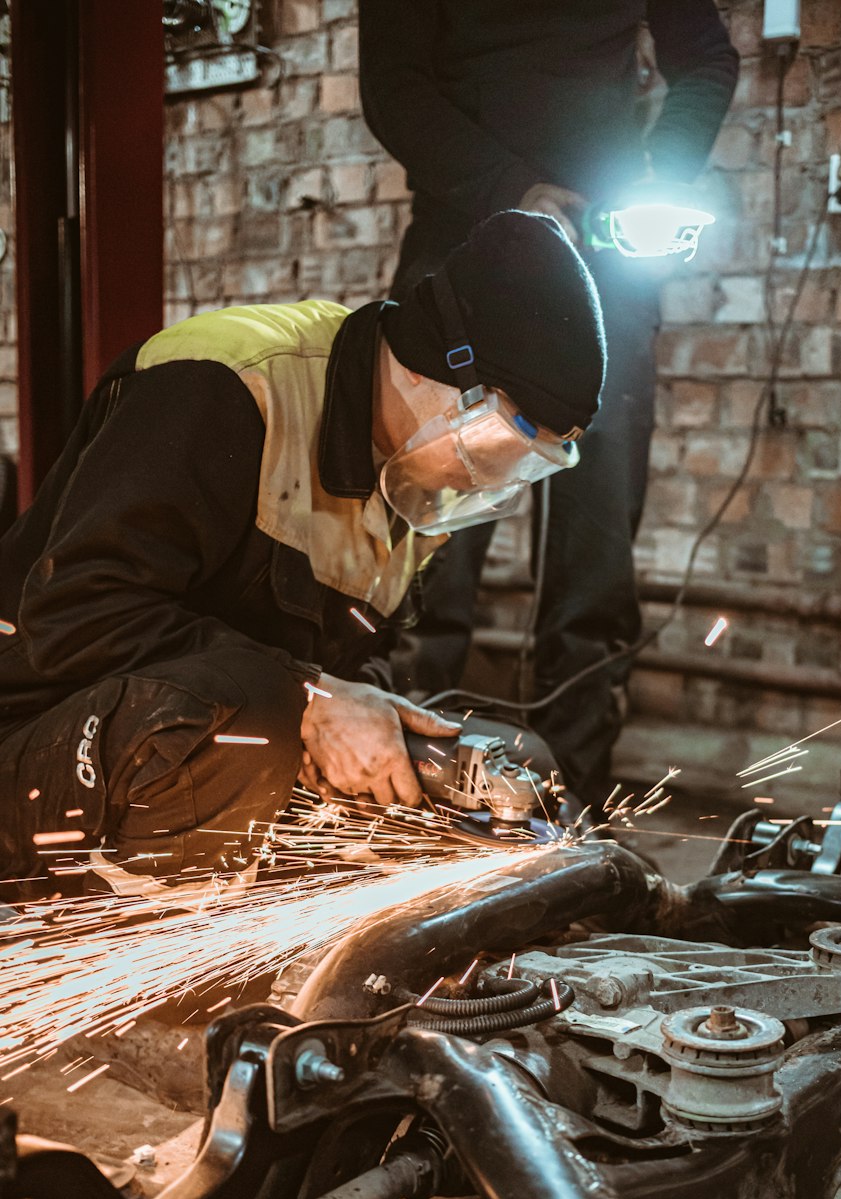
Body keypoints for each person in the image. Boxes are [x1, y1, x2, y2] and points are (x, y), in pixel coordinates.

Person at [0, 211, 605, 903]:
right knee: (249, 717)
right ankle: (154, 980)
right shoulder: (225, 384)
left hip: (193, 737)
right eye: (502, 446)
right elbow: (72, 612)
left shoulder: (414, 483)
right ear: (439, 370)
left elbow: (350, 661)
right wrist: (309, 698)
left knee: (492, 758)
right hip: (31, 745)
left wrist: (363, 717)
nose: (493, 479)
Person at [360, 1, 739, 809]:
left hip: (605, 254)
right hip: (460, 249)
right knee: (425, 541)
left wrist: (655, 181)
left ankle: (574, 809)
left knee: (595, 558)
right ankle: (400, 791)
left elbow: (707, 57)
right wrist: (511, 189)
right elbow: (394, 89)